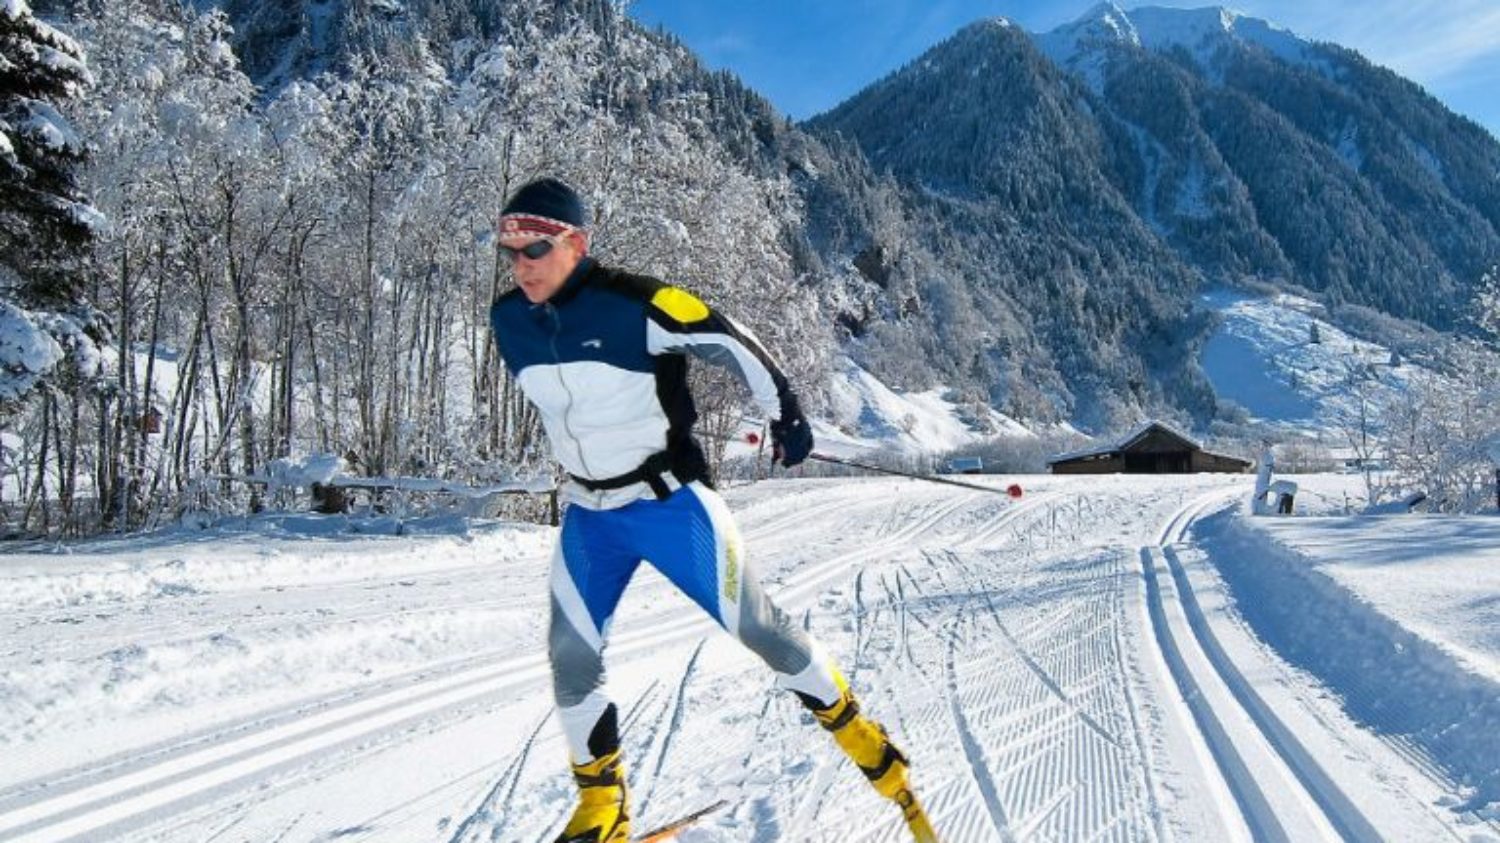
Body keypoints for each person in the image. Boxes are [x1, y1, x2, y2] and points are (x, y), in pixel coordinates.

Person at [488, 178, 932, 843]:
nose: (522, 265)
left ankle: (867, 741)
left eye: (537, 248)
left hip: (670, 504)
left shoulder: (633, 302)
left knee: (763, 630)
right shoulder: (508, 320)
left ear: (576, 244)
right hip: (589, 515)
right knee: (570, 654)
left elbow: (726, 335)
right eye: (511, 251)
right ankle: (602, 806)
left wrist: (783, 408)